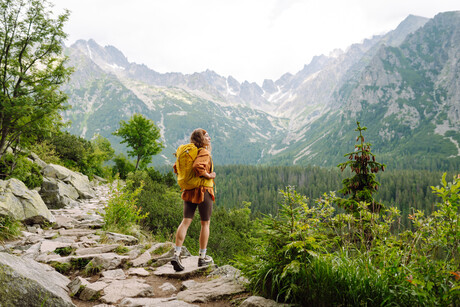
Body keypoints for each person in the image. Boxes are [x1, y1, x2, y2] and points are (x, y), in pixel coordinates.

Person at [171, 128, 216, 271]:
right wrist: (209, 175)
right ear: (201, 139)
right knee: (205, 224)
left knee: (185, 222)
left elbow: (176, 168)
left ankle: (176, 254)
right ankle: (202, 258)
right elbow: (198, 166)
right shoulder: (203, 151)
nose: (209, 138)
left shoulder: (187, 152)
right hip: (204, 191)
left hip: (189, 191)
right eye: (206, 136)